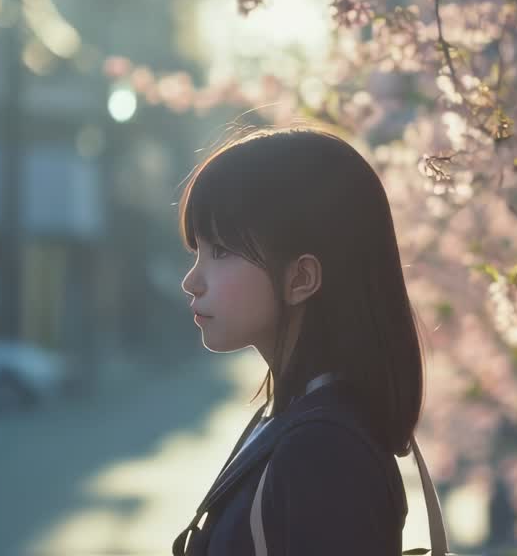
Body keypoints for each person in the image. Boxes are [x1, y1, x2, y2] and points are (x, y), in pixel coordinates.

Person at [171, 126, 442, 556]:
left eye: (221, 251)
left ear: (300, 278)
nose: (192, 281)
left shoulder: (323, 450)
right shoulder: (296, 422)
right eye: (197, 252)